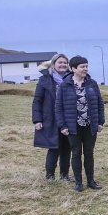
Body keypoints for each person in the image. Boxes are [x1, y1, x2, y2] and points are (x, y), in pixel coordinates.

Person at [55, 55, 105, 192]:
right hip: (73, 127)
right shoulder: (65, 85)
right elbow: (58, 107)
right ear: (73, 69)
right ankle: (78, 182)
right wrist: (62, 126)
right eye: (82, 67)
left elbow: (100, 103)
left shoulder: (92, 83)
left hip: (90, 126)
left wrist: (101, 122)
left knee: (89, 153)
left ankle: (91, 181)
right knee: (76, 153)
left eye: (86, 66)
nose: (85, 69)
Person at [32, 53, 73, 181]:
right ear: (53, 64)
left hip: (68, 119)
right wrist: (37, 120)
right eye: (60, 62)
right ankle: (50, 175)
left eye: (65, 63)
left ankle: (64, 175)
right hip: (51, 119)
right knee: (54, 148)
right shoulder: (45, 79)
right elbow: (37, 100)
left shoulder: (71, 79)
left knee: (67, 148)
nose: (63, 65)